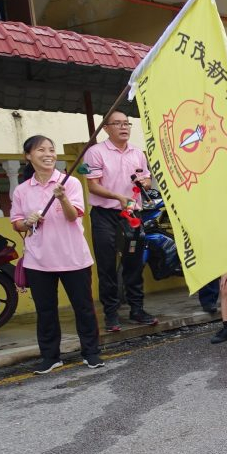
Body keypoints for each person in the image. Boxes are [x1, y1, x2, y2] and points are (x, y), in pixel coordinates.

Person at [10, 135, 103, 374]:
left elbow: (74, 217)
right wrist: (27, 222)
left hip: (73, 257)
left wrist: (62, 198)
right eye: (41, 150)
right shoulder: (21, 190)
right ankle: (50, 357)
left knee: (83, 307)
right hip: (38, 260)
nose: (48, 154)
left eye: (51, 150)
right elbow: (17, 223)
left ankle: (91, 353)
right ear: (28, 156)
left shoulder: (69, 183)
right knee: (46, 310)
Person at [82, 109, 156, 331]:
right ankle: (111, 314)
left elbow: (146, 181)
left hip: (132, 214)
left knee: (134, 263)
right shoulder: (95, 153)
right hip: (105, 215)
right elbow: (93, 185)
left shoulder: (138, 153)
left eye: (127, 123)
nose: (124, 127)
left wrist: (145, 185)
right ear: (106, 128)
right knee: (106, 265)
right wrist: (118, 197)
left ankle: (137, 309)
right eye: (118, 124)